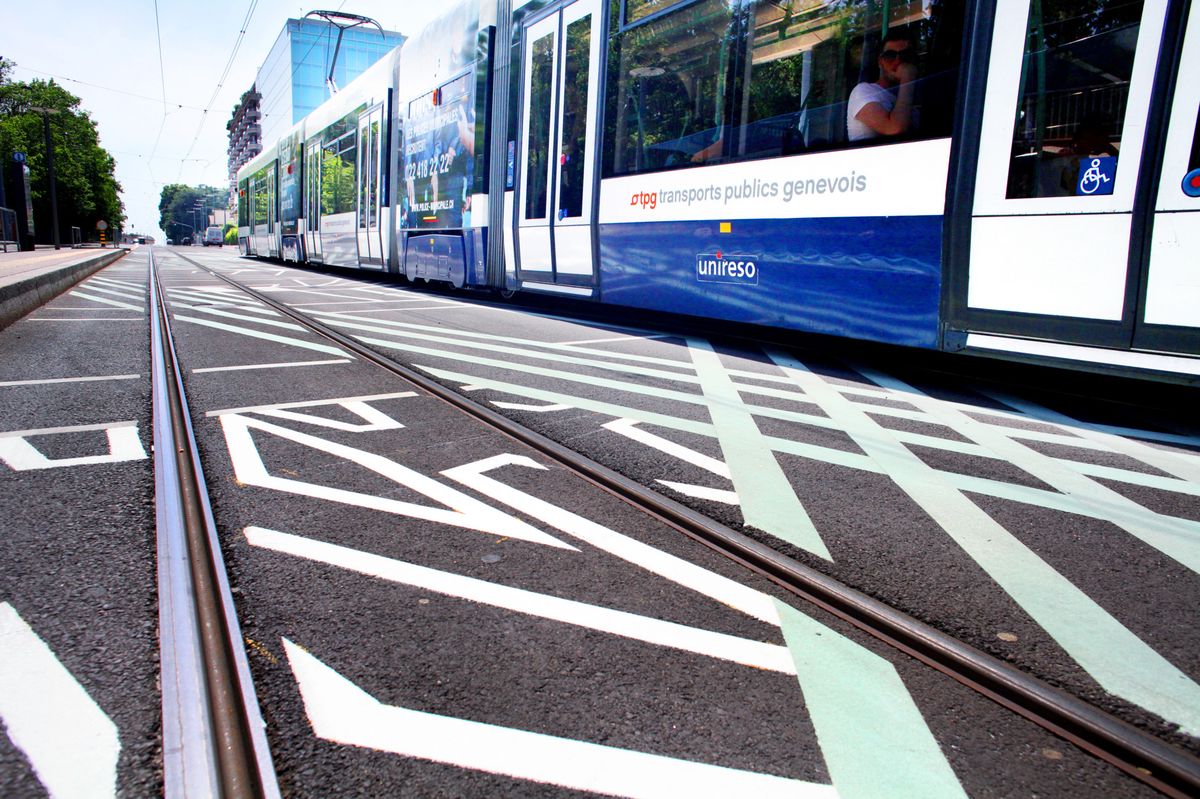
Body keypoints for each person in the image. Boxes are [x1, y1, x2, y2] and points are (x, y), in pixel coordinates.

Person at [847, 29, 919, 142]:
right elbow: (895, 129)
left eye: (905, 56)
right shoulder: (864, 91)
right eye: (890, 56)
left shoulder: (911, 103)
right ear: (880, 61)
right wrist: (908, 76)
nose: (898, 62)